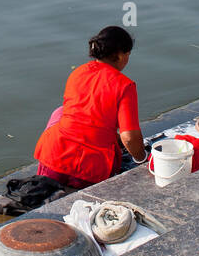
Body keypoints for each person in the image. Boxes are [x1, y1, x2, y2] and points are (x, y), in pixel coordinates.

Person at [33, 26, 146, 190]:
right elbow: (128, 137)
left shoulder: (77, 73)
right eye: (128, 54)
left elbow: (82, 116)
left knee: (60, 112)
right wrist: (141, 158)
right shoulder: (124, 85)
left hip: (52, 157)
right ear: (121, 55)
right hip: (88, 168)